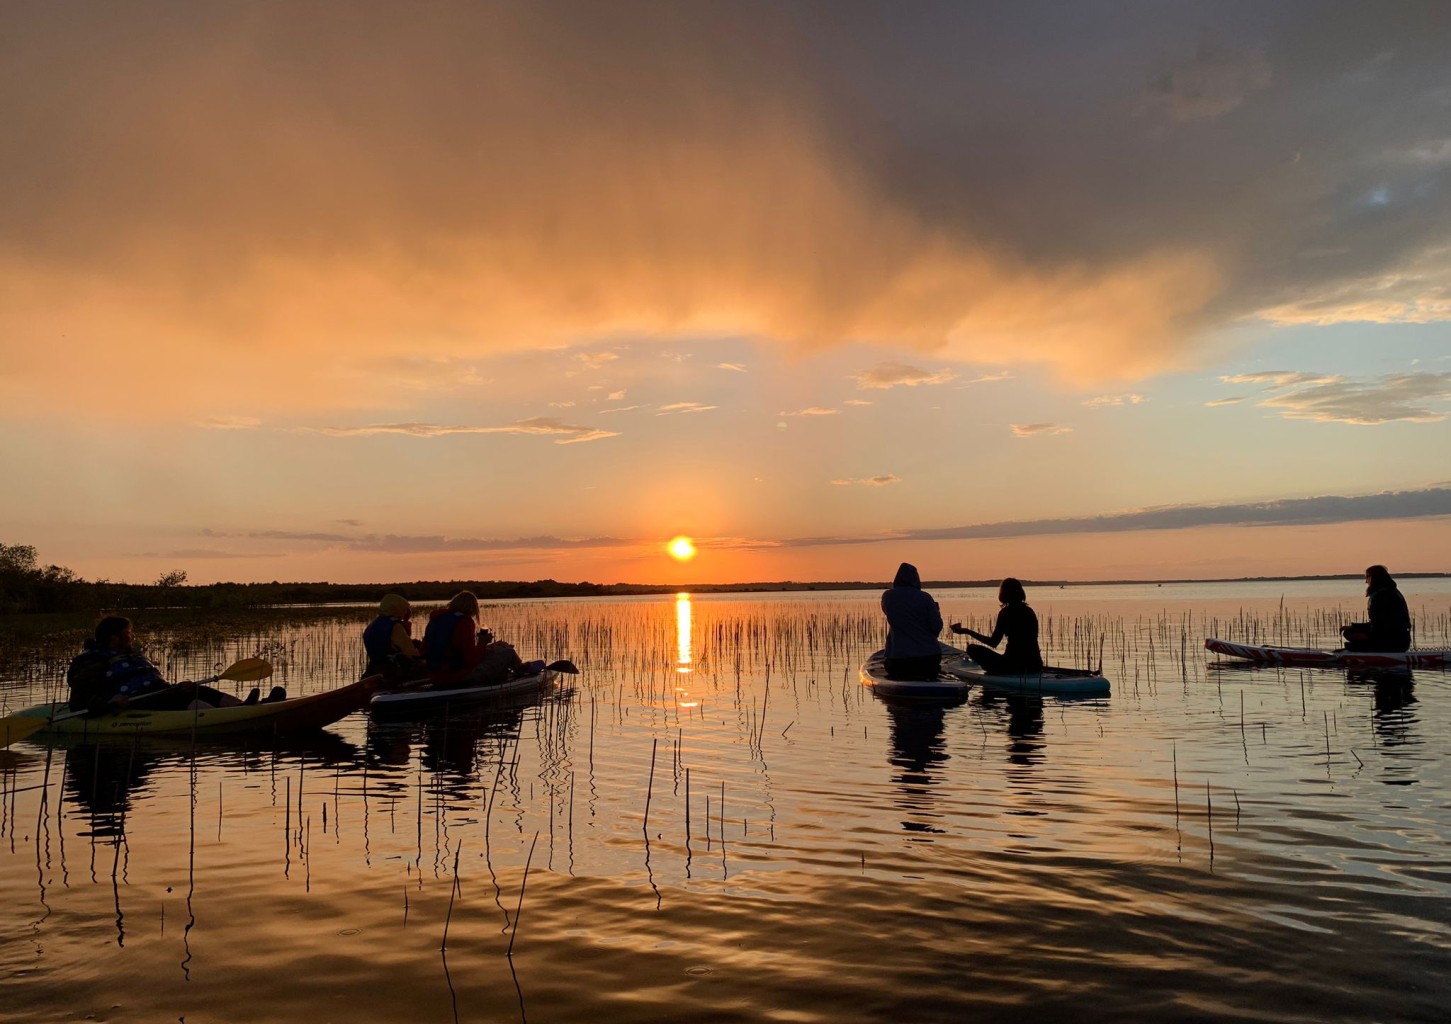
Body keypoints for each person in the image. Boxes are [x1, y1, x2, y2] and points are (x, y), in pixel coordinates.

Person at [66, 616, 283, 713]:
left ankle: (243, 708)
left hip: (159, 692)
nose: (131, 638)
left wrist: (173, 684)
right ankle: (228, 717)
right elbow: (79, 701)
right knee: (182, 697)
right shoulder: (93, 661)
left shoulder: (128, 654)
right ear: (113, 638)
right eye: (127, 634)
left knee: (196, 689)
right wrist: (110, 701)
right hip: (137, 702)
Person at [422, 591, 530, 686]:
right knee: (509, 652)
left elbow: (426, 651)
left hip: (435, 676)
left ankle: (516, 667)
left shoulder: (435, 620)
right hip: (458, 676)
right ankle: (522, 670)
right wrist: (483, 642)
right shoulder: (464, 623)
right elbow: (471, 660)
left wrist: (490, 647)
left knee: (501, 647)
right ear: (473, 608)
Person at [951, 578, 1043, 675]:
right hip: (1035, 665)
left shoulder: (1006, 613)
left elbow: (993, 642)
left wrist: (967, 631)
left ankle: (996, 673)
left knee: (972, 649)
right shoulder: (1030, 611)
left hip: (1013, 666)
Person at [880, 562, 944, 681]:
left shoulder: (887, 596)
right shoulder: (925, 597)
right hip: (928, 658)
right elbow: (936, 627)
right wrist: (937, 611)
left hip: (897, 659)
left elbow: (890, 614)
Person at [1341, 565, 1411, 652]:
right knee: (1350, 633)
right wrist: (1355, 626)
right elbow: (1380, 623)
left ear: (1373, 578)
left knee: (1349, 633)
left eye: (1367, 577)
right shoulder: (1392, 592)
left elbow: (1379, 626)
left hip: (1392, 642)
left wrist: (1365, 635)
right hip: (1400, 641)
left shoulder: (1381, 596)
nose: (1366, 581)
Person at [362, 593, 424, 682]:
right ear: (399, 608)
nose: (408, 611)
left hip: (373, 668)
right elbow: (411, 653)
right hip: (392, 670)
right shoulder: (395, 626)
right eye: (406, 609)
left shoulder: (372, 624)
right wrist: (422, 661)